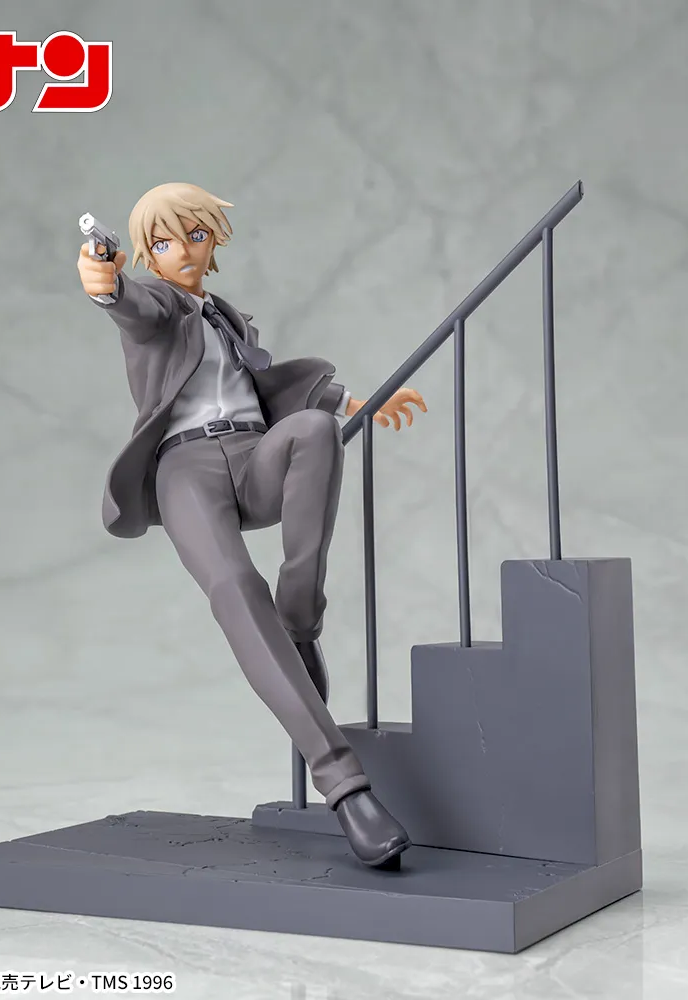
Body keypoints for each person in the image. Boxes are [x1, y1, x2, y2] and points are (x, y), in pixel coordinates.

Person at [77, 182, 426, 869]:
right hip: (186, 472)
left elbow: (269, 388)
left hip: (250, 453)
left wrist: (356, 401)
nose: (183, 251)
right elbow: (129, 305)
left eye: (195, 236)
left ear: (213, 240)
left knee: (315, 430)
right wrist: (104, 282)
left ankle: (300, 616)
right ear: (147, 252)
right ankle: (345, 787)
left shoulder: (229, 319)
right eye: (164, 242)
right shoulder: (157, 309)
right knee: (236, 589)